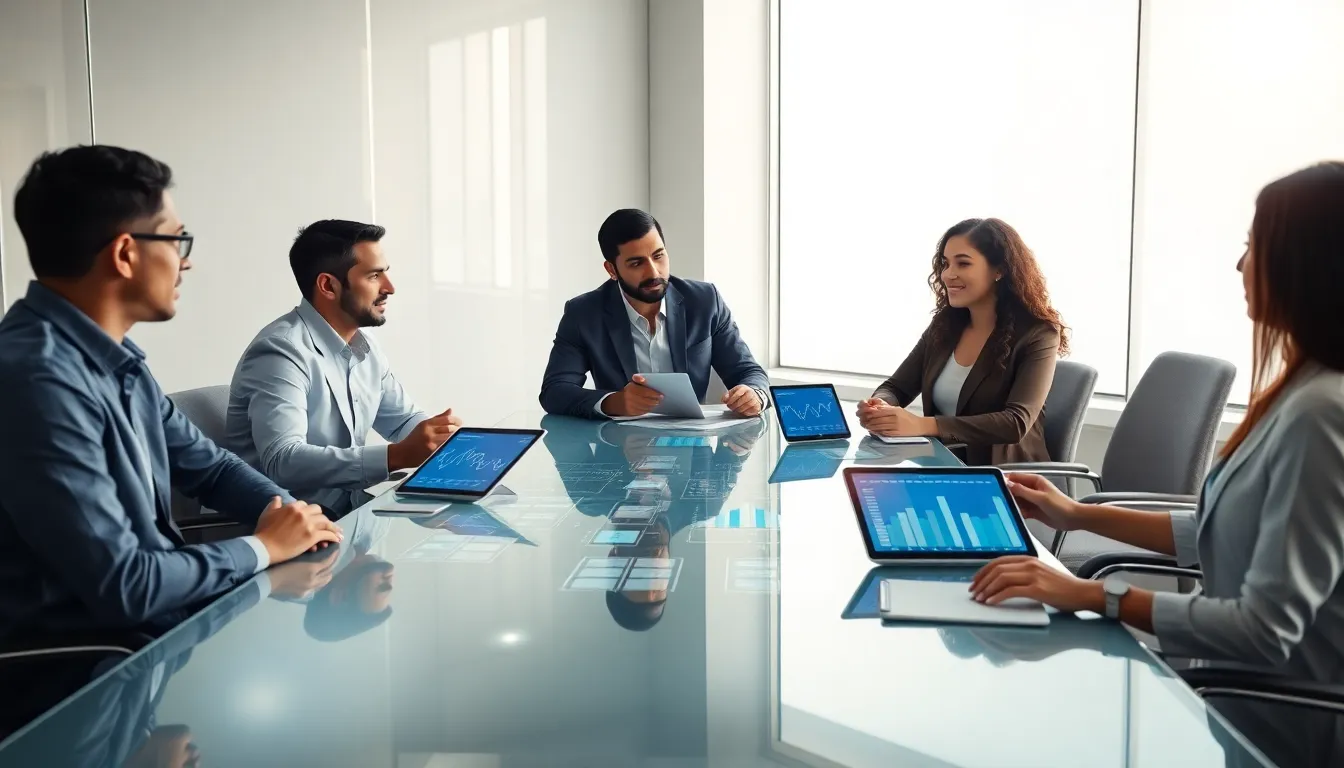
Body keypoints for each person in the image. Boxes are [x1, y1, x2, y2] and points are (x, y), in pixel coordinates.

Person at [971, 162, 1344, 767]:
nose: (1240, 265)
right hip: (1237, 701)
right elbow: (1218, 531)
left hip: (1278, 728)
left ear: (1308, 263)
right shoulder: (1301, 391)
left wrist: (1089, 593)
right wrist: (1076, 513)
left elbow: (1264, 629)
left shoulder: (1321, 413)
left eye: (1254, 245)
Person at [0, 146, 342, 647]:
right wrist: (264, 547)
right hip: (88, 668)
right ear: (124, 254)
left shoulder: (117, 362)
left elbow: (212, 469)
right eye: (177, 239)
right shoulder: (35, 380)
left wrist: (294, 517)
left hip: (161, 635)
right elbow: (127, 585)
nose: (187, 261)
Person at [226, 220, 461, 517]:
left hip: (350, 514)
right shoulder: (280, 352)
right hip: (290, 523)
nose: (389, 288)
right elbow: (283, 461)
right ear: (328, 286)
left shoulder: (365, 346)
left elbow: (402, 421)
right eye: (374, 276)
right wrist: (396, 456)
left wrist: (444, 438)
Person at [858, 218, 1067, 465]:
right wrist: (880, 405)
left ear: (999, 270)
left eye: (963, 263)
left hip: (1005, 474)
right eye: (945, 263)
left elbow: (1015, 422)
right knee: (865, 483)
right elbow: (897, 387)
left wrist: (923, 425)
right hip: (943, 464)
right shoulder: (945, 326)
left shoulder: (1038, 334)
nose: (948, 274)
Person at [539, 208, 771, 420]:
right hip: (619, 444)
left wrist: (754, 395)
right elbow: (555, 391)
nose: (653, 272)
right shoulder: (583, 313)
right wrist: (614, 402)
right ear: (612, 270)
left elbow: (747, 371)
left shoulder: (705, 301)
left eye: (658, 256)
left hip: (692, 444)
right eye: (636, 263)